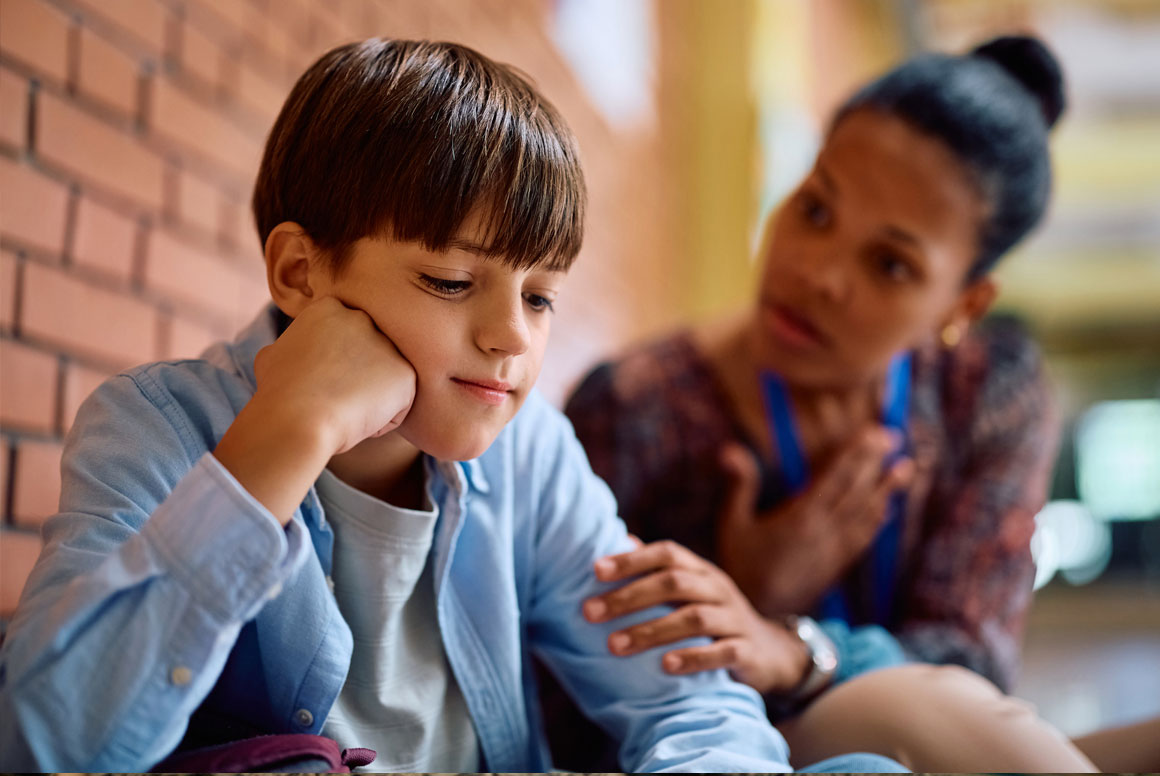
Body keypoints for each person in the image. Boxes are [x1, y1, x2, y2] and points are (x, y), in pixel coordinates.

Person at [0, 39, 904, 774]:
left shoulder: (531, 451)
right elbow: (44, 738)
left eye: (541, 297)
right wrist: (288, 434)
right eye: (451, 280)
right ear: (300, 273)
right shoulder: (155, 426)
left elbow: (689, 699)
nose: (512, 337)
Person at [541, 34, 1145, 773]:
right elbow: (554, 710)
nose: (818, 273)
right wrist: (742, 596)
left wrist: (787, 641)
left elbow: (969, 659)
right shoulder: (635, 407)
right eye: (816, 209)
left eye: (890, 263)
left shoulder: (986, 393)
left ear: (965, 302)